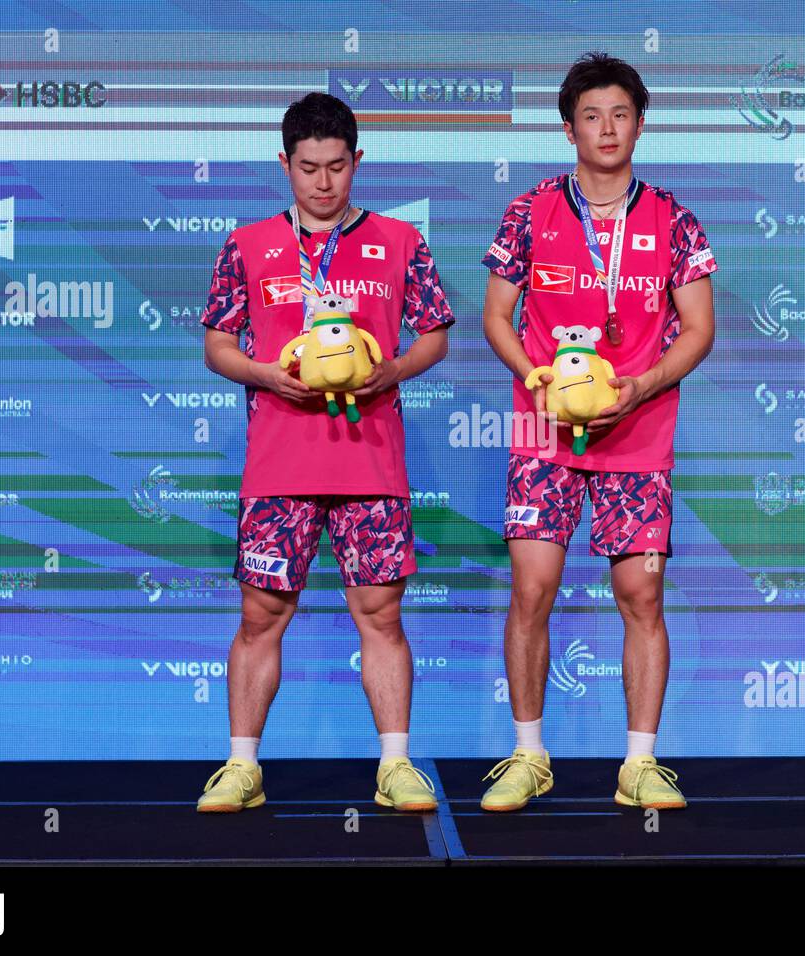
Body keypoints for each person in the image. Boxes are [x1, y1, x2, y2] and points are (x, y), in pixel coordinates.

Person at [196, 92, 454, 813]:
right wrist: (263, 372)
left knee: (381, 614)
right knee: (260, 616)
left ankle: (396, 765)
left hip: (370, 462)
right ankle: (242, 767)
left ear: (356, 162)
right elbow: (218, 343)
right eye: (308, 167)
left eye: (337, 166)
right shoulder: (246, 245)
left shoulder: (401, 241)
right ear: (285, 164)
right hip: (280, 464)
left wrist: (393, 368)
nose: (323, 182)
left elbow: (433, 332)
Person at [480, 53, 716, 811]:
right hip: (545, 431)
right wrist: (538, 376)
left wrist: (643, 384)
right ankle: (528, 753)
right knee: (532, 588)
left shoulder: (673, 218)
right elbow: (495, 316)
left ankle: (640, 763)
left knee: (640, 595)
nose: (607, 128)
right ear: (569, 126)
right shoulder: (529, 211)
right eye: (591, 115)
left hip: (638, 434)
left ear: (640, 123)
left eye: (620, 114)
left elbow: (699, 329)